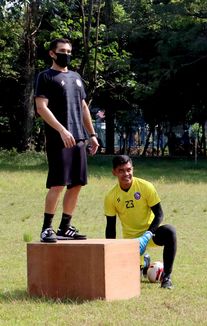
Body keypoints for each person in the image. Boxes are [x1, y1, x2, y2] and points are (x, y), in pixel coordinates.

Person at [35, 38, 99, 243]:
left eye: (69, 51)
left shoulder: (76, 77)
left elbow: (83, 107)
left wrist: (92, 135)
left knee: (77, 184)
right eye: (62, 51)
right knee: (58, 184)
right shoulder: (45, 77)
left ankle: (65, 226)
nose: (67, 54)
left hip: (79, 138)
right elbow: (41, 107)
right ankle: (47, 228)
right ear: (52, 53)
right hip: (59, 139)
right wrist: (62, 130)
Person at [104, 155, 177, 289]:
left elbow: (159, 214)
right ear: (114, 172)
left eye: (129, 169)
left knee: (170, 231)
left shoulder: (145, 187)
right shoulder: (111, 197)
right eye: (121, 170)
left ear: (133, 169)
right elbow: (110, 228)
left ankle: (166, 278)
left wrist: (147, 235)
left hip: (150, 235)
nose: (126, 174)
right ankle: (143, 265)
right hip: (130, 243)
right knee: (127, 279)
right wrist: (110, 253)